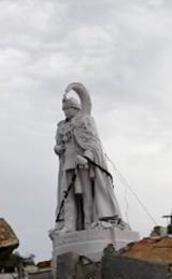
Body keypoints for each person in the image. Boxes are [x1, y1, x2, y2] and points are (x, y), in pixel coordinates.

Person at [52, 83, 125, 235]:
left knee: (86, 194)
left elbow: (93, 144)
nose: (65, 112)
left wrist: (86, 157)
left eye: (68, 109)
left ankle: (89, 223)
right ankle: (69, 225)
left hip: (83, 164)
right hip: (68, 164)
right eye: (64, 109)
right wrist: (58, 149)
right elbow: (60, 145)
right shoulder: (61, 126)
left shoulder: (85, 121)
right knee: (68, 195)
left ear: (76, 108)